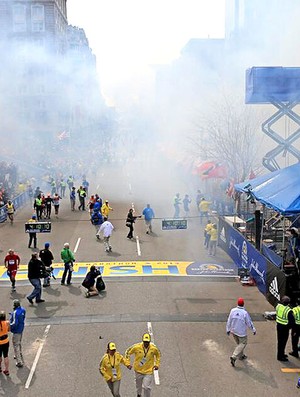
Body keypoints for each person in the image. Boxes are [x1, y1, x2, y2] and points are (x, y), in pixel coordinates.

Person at [125, 333, 161, 397]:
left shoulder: (154, 348)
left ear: (149, 341)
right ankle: (139, 394)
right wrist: (127, 363)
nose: (146, 343)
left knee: (146, 387)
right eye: (145, 342)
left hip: (148, 371)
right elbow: (127, 352)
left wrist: (157, 364)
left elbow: (158, 355)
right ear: (143, 341)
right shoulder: (136, 347)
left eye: (147, 342)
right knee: (138, 386)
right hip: (138, 370)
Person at [226, 297, 256, 367]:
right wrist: (253, 330)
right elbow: (249, 323)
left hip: (233, 331)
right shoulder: (244, 313)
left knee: (239, 344)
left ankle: (241, 355)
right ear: (243, 304)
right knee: (243, 343)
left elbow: (229, 320)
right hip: (241, 333)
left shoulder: (232, 311)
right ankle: (234, 356)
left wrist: (228, 329)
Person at [276, 295, 294, 361]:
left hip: (279, 326)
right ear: (288, 303)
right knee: (283, 342)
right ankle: (280, 356)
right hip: (285, 328)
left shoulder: (278, 306)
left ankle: (281, 354)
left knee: (280, 342)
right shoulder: (288, 310)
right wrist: (289, 327)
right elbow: (292, 322)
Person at [9, 299, 26, 368]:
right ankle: (20, 353)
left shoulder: (15, 312)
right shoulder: (23, 310)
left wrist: (9, 326)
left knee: (15, 345)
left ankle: (19, 361)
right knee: (19, 342)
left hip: (16, 330)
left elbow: (14, 323)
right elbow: (23, 317)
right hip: (21, 328)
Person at [0, 311, 10, 376]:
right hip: (6, 341)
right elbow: (9, 330)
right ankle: (6, 370)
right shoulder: (7, 323)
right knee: (5, 356)